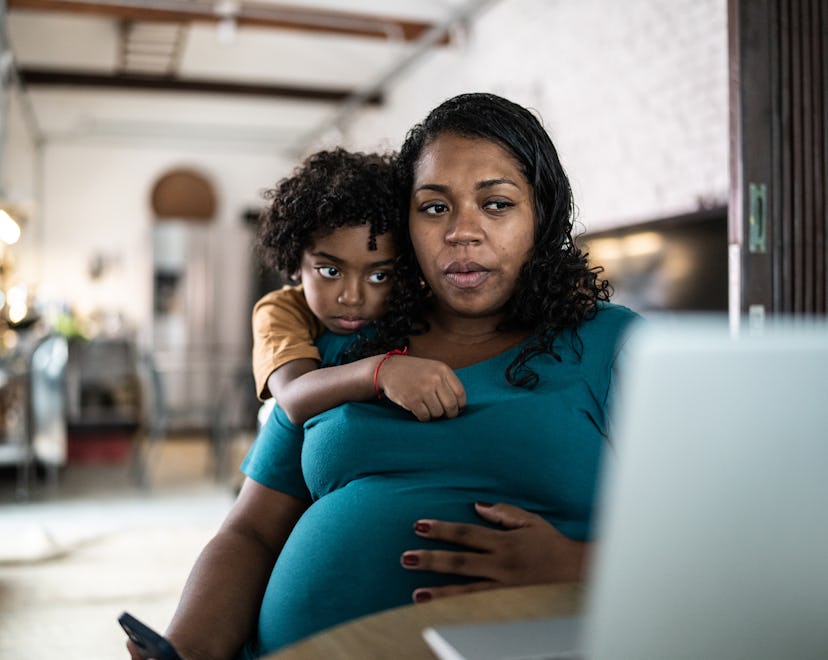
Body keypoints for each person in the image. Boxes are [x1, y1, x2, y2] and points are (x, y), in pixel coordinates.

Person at [130, 92, 639, 659]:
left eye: (495, 204)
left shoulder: (614, 346)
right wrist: (187, 648)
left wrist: (580, 564)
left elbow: (732, 539)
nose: (461, 233)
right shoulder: (343, 346)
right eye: (435, 207)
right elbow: (250, 532)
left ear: (540, 217)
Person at [251, 147, 465, 425]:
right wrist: (382, 372)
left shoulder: (415, 300)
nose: (352, 298)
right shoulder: (281, 311)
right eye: (330, 271)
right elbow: (293, 397)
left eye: (379, 276)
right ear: (294, 263)